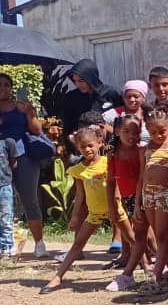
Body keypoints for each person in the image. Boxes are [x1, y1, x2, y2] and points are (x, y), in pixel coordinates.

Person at [39, 126, 133, 294]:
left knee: (132, 239)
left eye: (90, 145)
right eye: (83, 147)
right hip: (94, 213)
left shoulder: (108, 162)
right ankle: (58, 277)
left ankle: (148, 268)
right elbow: (80, 196)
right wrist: (75, 217)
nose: (87, 149)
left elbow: (116, 185)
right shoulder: (78, 170)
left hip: (115, 209)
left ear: (99, 143)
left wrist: (116, 205)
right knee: (77, 244)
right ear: (78, 148)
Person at [136, 105, 168, 296]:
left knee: (164, 236)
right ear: (147, 129)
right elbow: (141, 177)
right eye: (153, 131)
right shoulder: (145, 149)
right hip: (148, 195)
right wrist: (138, 203)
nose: (158, 135)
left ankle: (155, 277)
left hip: (167, 195)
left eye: (162, 131)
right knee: (159, 236)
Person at [0, 72, 48, 257]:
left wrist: (30, 113)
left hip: (23, 157)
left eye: (6, 85)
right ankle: (6, 244)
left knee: (30, 200)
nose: (3, 88)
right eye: (0, 85)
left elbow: (36, 130)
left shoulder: (21, 107)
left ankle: (39, 243)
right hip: (1, 160)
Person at [105, 115, 146, 291]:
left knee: (147, 235)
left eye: (136, 131)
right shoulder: (113, 153)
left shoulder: (141, 151)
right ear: (116, 131)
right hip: (128, 198)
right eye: (126, 131)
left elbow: (144, 177)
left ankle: (156, 267)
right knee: (140, 235)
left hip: (143, 196)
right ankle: (150, 268)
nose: (131, 135)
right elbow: (111, 180)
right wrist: (112, 205)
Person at [57, 59, 122, 140]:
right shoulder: (72, 97)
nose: (78, 84)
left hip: (111, 142)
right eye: (75, 81)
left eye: (81, 81)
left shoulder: (111, 93)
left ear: (91, 78)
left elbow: (124, 117)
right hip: (84, 144)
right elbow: (68, 124)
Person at [0, 131, 17, 258]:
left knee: (5, 218)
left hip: (4, 185)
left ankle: (6, 247)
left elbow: (13, 163)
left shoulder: (8, 141)